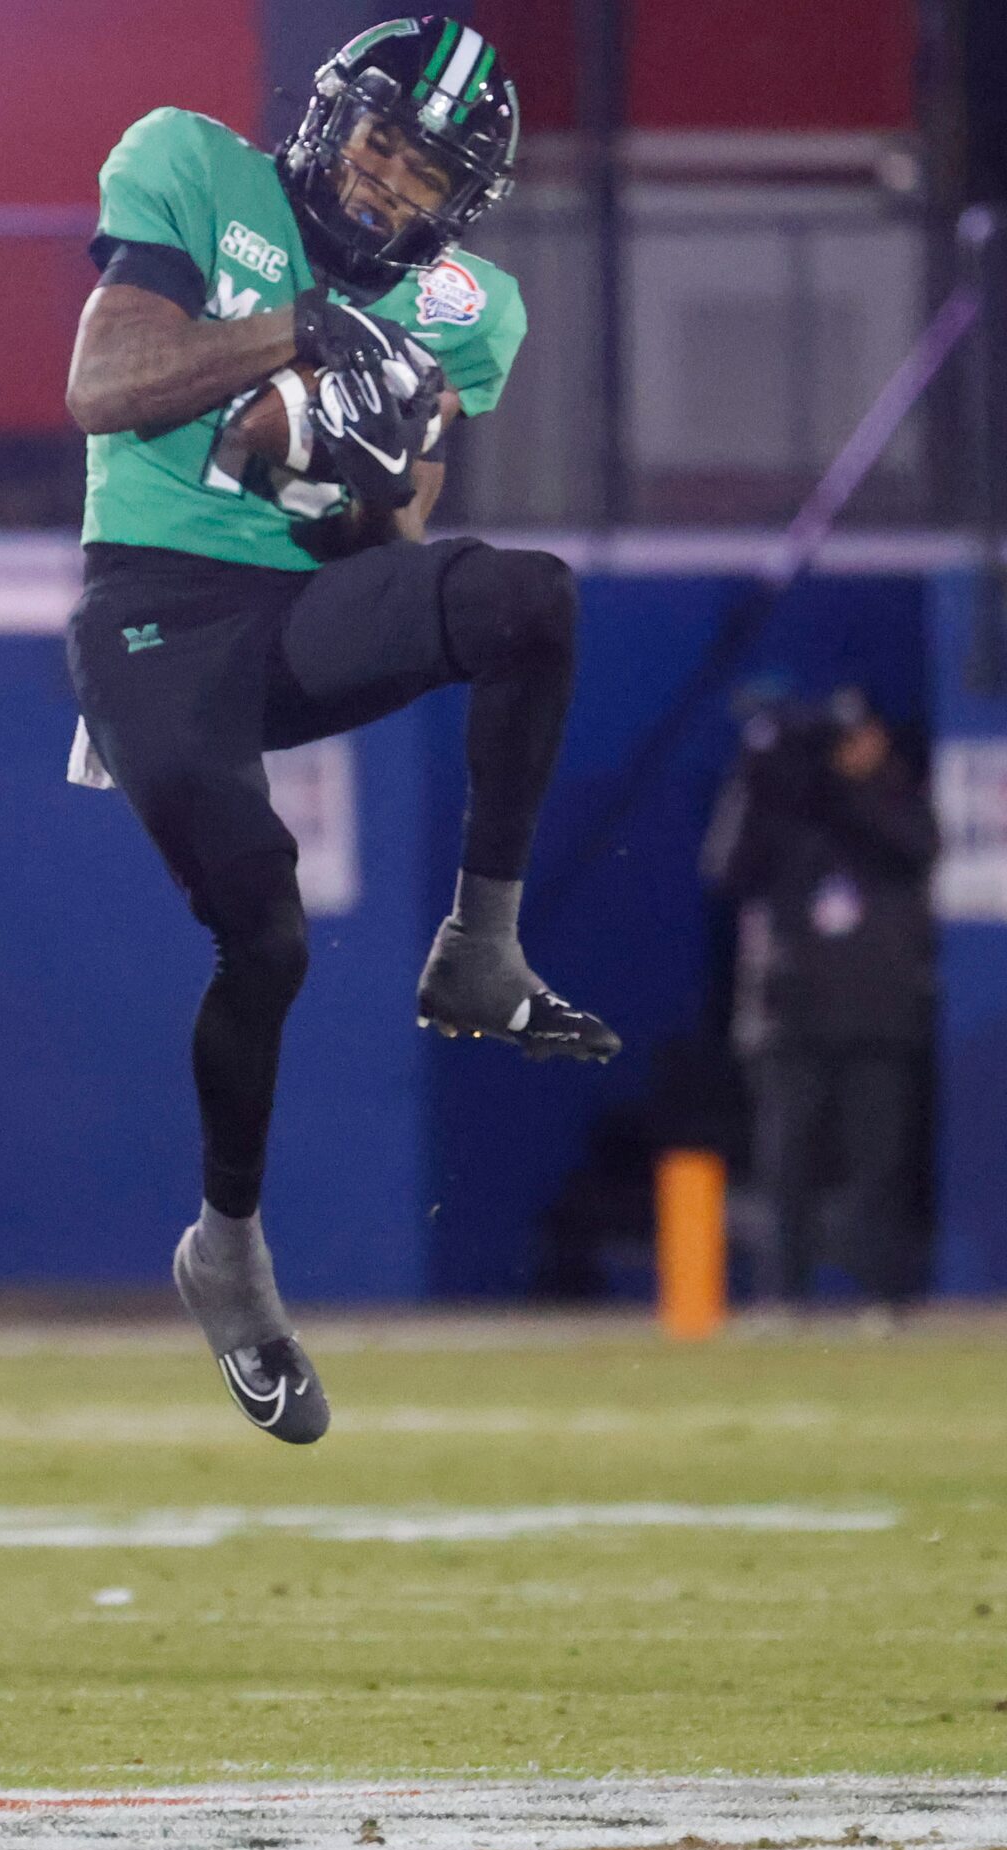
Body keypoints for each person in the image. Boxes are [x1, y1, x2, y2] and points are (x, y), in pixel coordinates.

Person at [61, 16, 613, 1444]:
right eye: (378, 144)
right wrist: (298, 332)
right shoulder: (190, 164)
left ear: (461, 201)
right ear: (331, 122)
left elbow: (398, 530)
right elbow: (104, 385)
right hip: (157, 614)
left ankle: (480, 947)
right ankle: (227, 1253)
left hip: (307, 602)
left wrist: (352, 442)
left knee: (529, 600)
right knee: (269, 931)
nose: (386, 187)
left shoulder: (465, 304)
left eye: (425, 175)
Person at [702, 687, 937, 1320]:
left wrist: (842, 791)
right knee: (785, 1163)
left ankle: (885, 1296)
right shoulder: (781, 811)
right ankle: (782, 1296)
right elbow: (726, 869)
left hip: (876, 1015)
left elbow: (917, 848)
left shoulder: (895, 800)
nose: (848, 752)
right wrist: (760, 776)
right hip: (791, 1015)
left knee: (879, 1164)